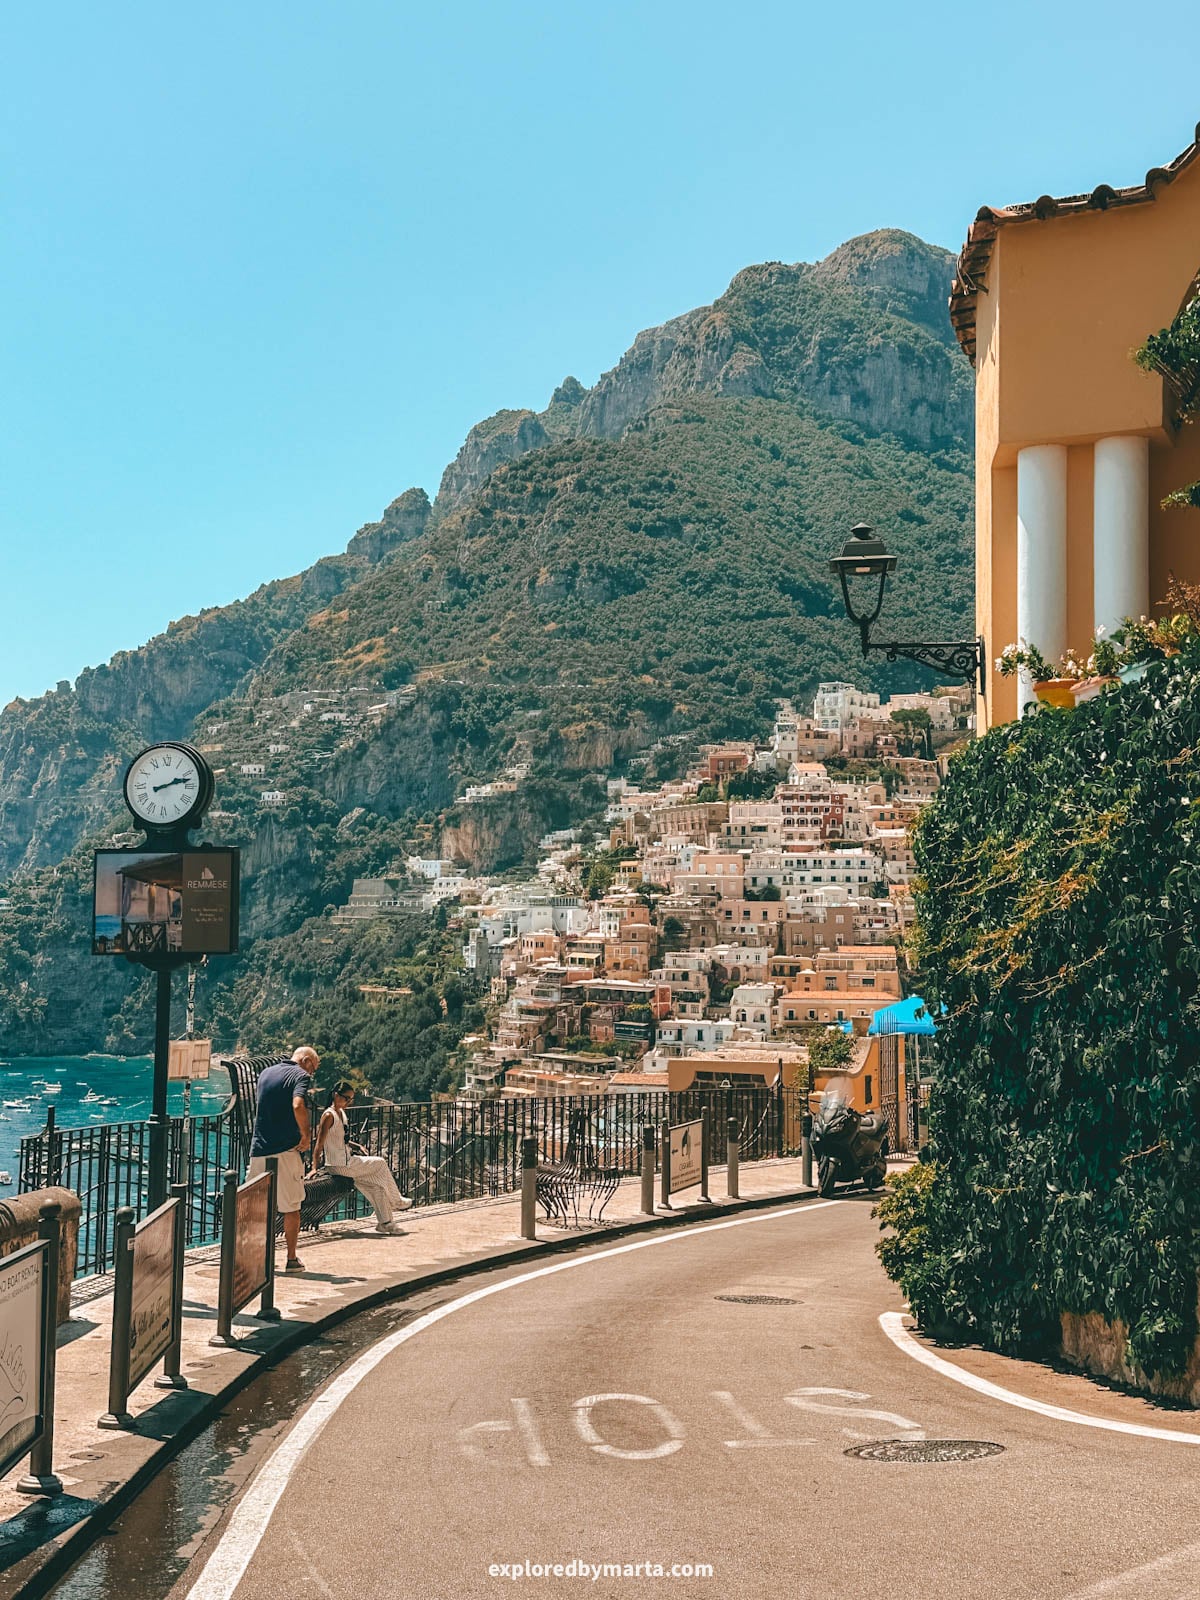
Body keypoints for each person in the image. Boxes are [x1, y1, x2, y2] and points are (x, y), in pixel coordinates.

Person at [249, 1045, 318, 1271]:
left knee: (256, 1206)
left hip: (259, 1148)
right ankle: (290, 1259)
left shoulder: (265, 1073)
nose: (311, 1074)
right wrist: (306, 1136)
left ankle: (255, 1257)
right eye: (313, 1068)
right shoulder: (300, 1075)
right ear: (306, 1060)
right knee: (291, 1207)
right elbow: (297, 1105)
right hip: (286, 1151)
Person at [311, 1079, 412, 1233]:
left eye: (350, 1099)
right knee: (380, 1163)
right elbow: (319, 1143)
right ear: (335, 1095)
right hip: (340, 1165)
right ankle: (397, 1201)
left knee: (376, 1186)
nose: (348, 1102)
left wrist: (356, 1146)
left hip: (345, 1162)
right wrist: (314, 1168)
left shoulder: (341, 1113)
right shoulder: (329, 1115)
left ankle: (385, 1223)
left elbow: (340, 1139)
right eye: (346, 1098)